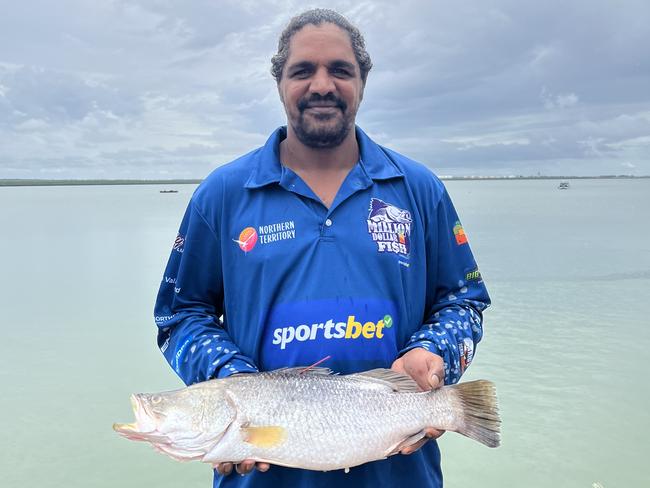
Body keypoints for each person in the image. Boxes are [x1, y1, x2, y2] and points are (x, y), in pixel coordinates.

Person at [154, 8, 490, 488]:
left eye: (340, 70)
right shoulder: (223, 194)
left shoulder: (419, 190)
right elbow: (180, 313)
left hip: (400, 471)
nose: (322, 85)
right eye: (302, 70)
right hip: (264, 474)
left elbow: (464, 299)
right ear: (279, 82)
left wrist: (436, 354)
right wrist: (235, 386)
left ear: (363, 81)